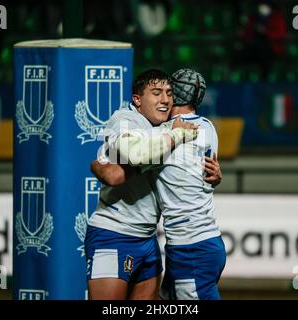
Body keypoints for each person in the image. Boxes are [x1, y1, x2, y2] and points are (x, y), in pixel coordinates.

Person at [91, 69, 226, 300]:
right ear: (137, 99)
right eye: (156, 93)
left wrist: (97, 166)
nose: (164, 99)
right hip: (116, 234)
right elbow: (118, 172)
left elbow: (112, 173)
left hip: (165, 241)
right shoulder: (127, 121)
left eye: (169, 92)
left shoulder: (165, 131)